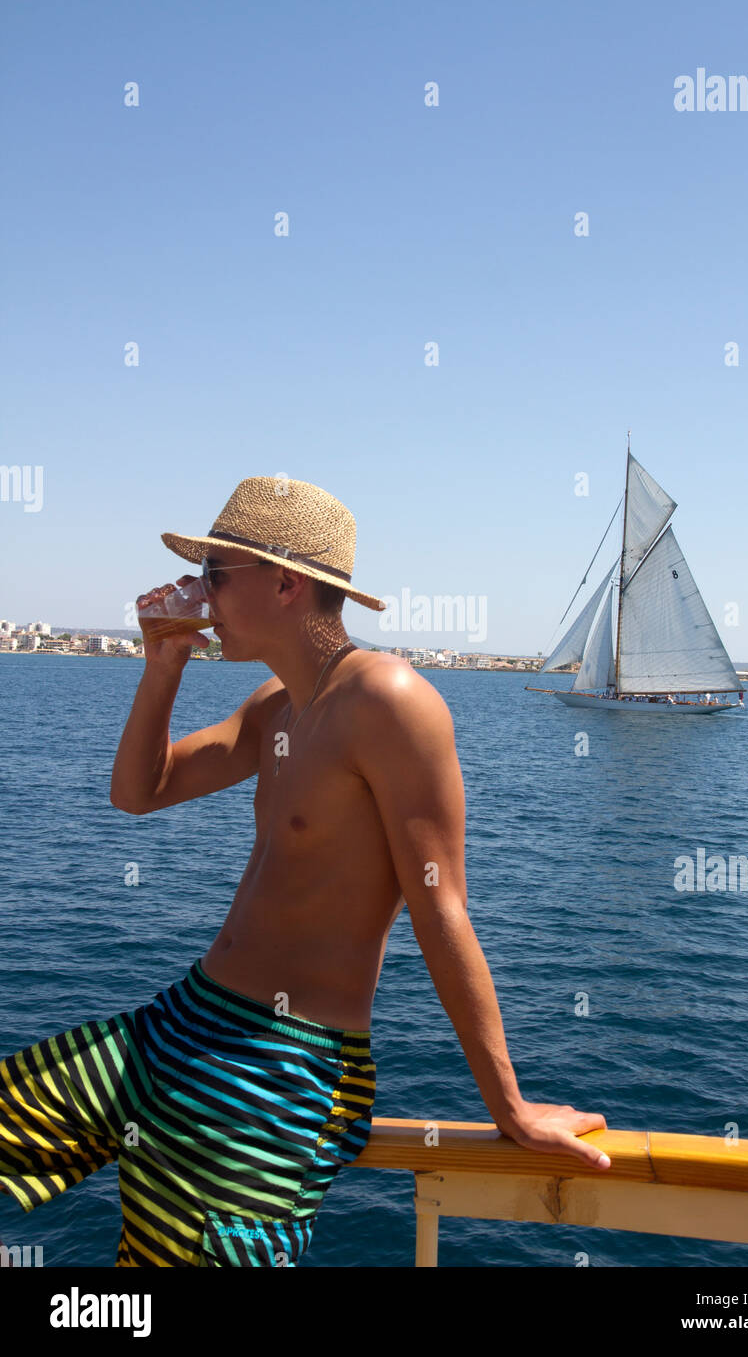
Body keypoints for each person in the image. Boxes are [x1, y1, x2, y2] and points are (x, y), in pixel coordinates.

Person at [0, 475, 609, 1268]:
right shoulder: (277, 707)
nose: (200, 593)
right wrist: (164, 664)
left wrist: (510, 1107)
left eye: (217, 575)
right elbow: (137, 795)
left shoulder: (388, 699)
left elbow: (441, 909)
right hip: (182, 1023)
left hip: (283, 1064)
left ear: (285, 583)